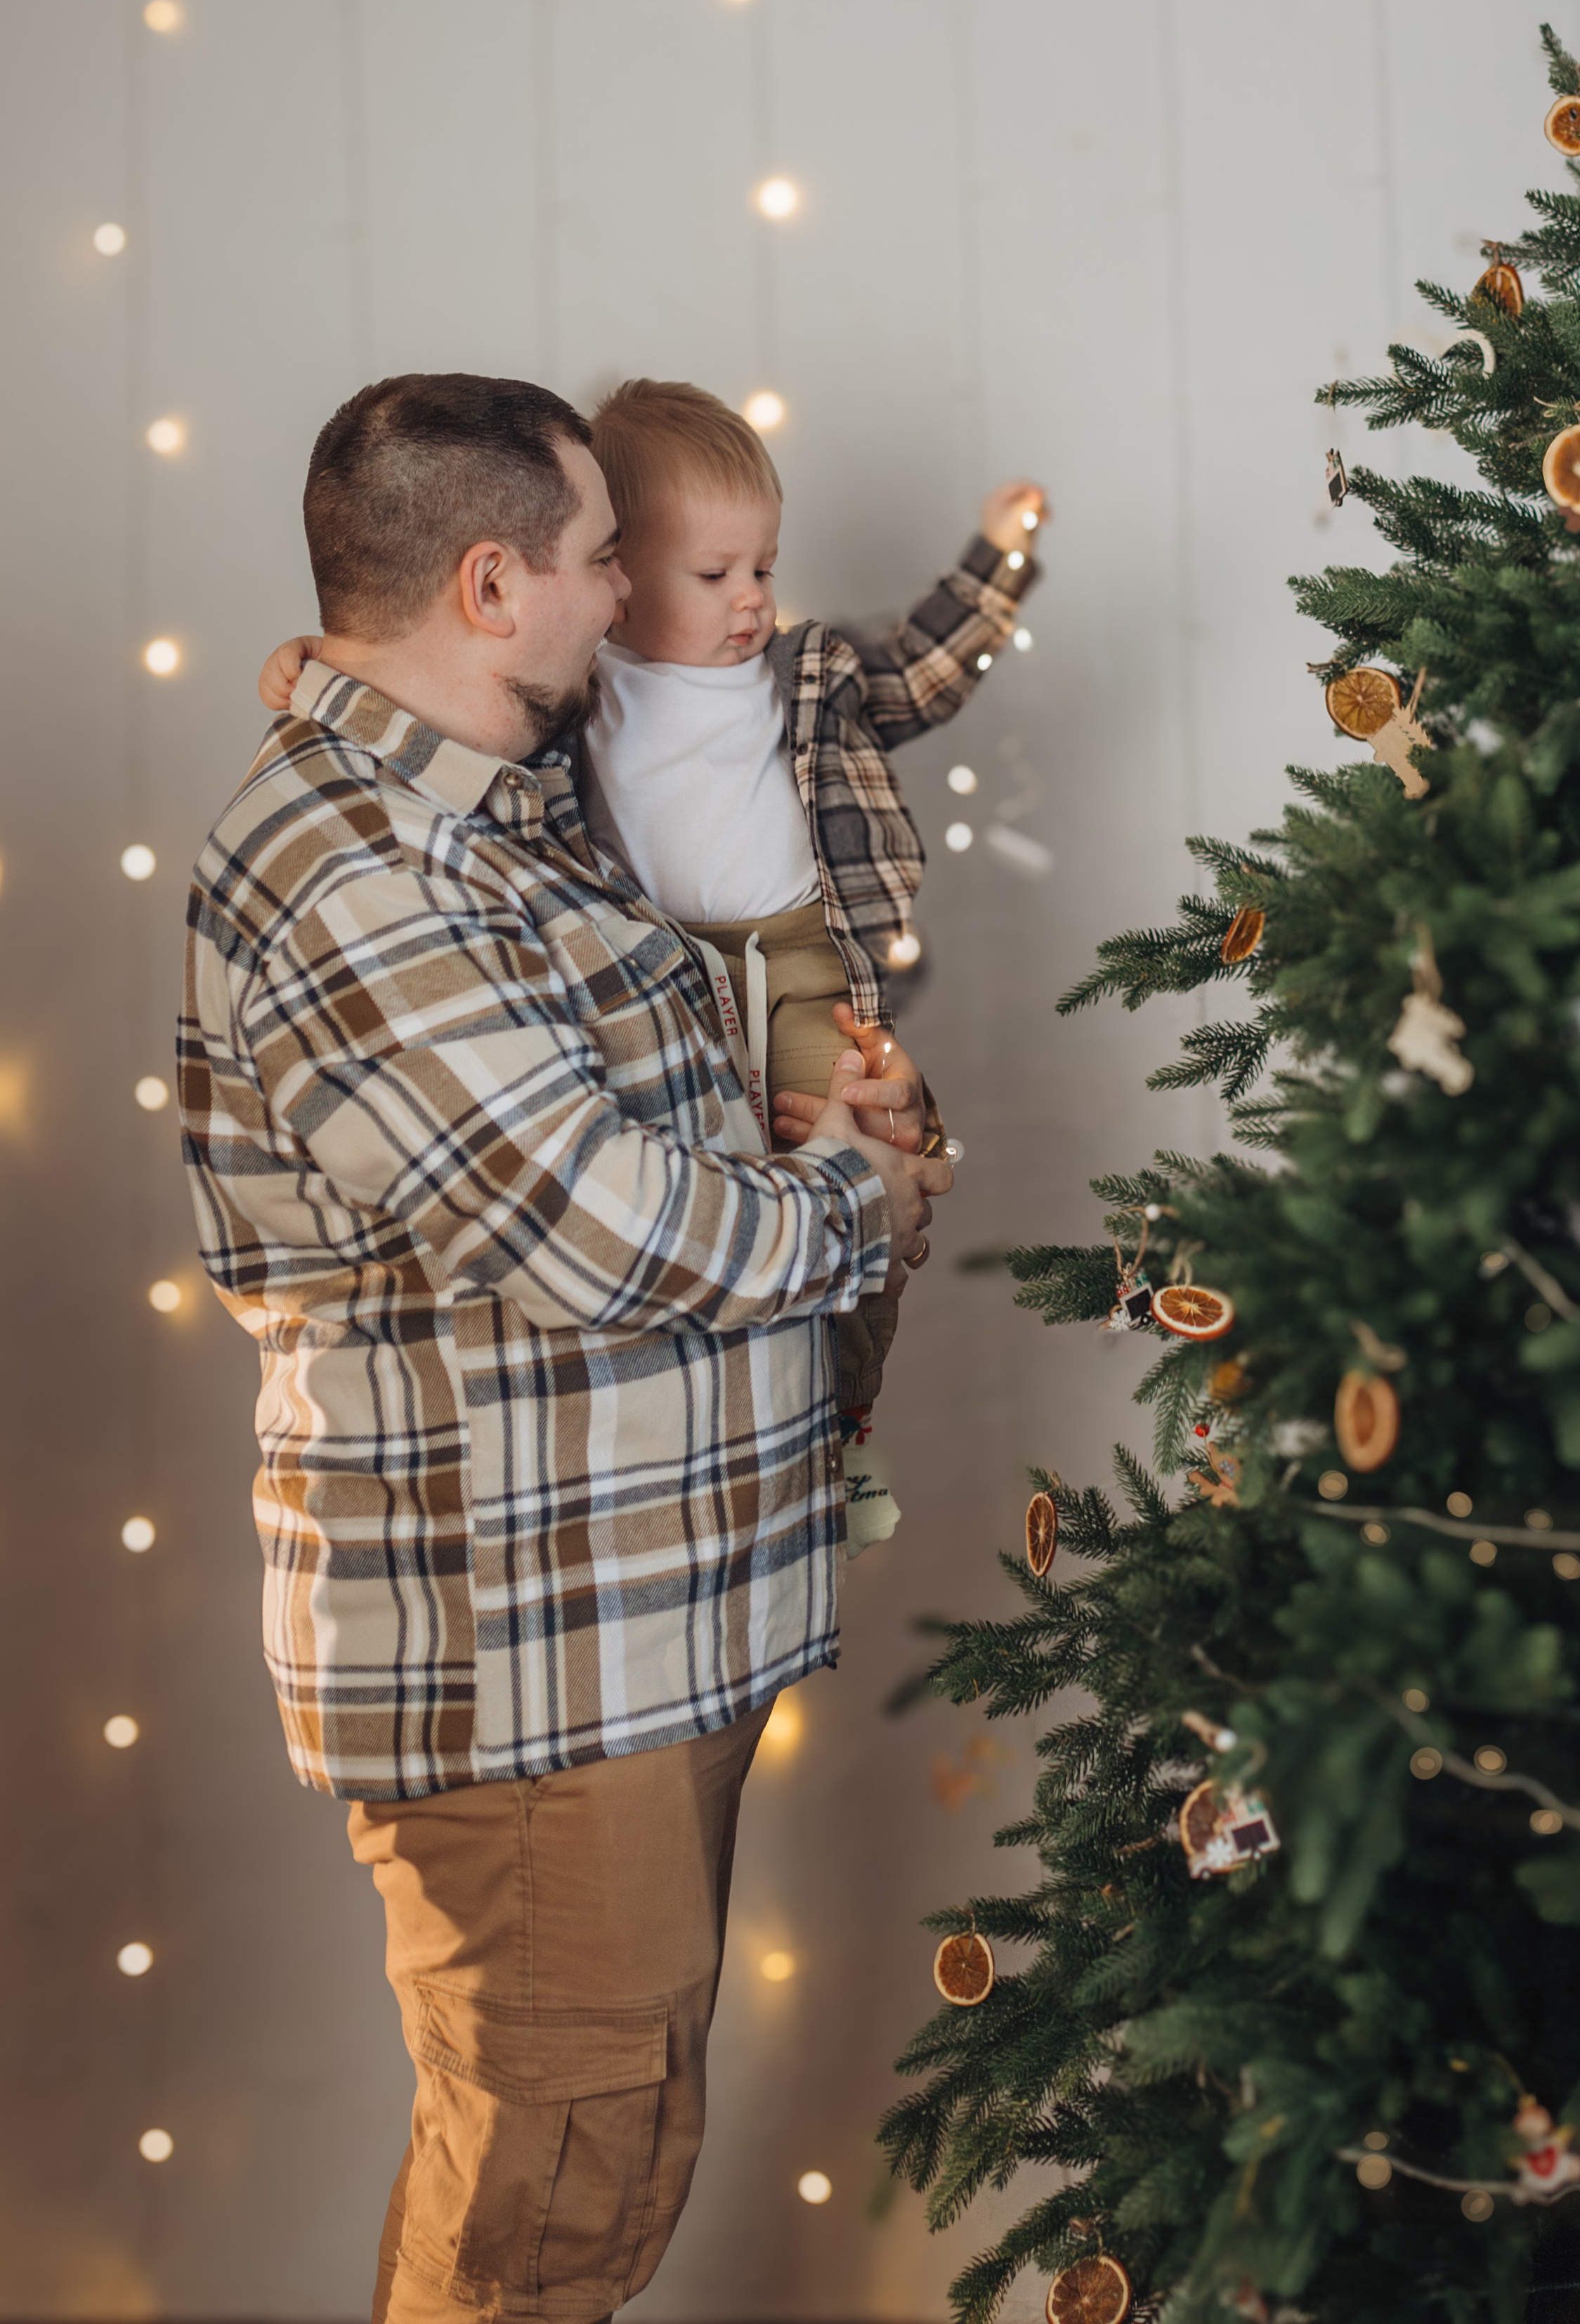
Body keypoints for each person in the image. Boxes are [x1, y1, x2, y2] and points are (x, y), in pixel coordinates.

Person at [183, 372, 953, 2324]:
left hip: (635, 1633)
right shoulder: (360, 868)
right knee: (552, 2192)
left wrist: (832, 1122)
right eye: (606, 558)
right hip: (531, 1672)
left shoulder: (513, 812)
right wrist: (852, 1203)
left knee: (593, 2155)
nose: (630, 596)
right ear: (491, 581)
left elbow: (667, 1117)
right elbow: (593, 1230)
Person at [262, 377, 1046, 1553]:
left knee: (867, 1155)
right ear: (618, 575)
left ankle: (845, 1425)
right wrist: (320, 661)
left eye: (763, 568)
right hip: (669, 973)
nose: (751, 599)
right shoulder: (574, 695)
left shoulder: (804, 676)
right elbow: (428, 701)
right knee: (735, 1181)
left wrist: (998, 561)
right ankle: (781, 1438)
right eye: (710, 573)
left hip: (798, 958)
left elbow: (924, 664)